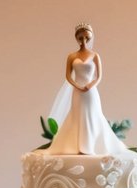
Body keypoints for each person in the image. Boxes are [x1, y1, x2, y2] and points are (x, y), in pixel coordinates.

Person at [48, 24, 128, 155]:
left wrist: (90, 85)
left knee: (92, 115)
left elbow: (99, 76)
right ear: (77, 38)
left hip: (90, 92)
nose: (83, 40)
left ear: (90, 38)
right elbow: (68, 76)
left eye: (86, 37)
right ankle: (76, 145)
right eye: (81, 37)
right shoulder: (72, 56)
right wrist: (77, 86)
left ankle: (90, 145)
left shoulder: (95, 56)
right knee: (77, 115)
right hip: (77, 91)